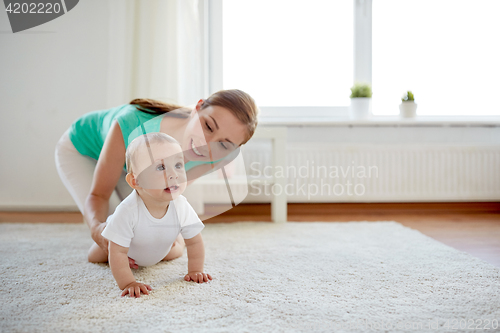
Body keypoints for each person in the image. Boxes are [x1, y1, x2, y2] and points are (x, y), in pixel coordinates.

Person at [55, 89, 258, 268]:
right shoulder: (133, 124)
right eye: (209, 127)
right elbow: (98, 194)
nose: (208, 144)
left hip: (136, 171)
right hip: (83, 151)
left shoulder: (221, 155)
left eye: (223, 144)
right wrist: (97, 230)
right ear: (198, 107)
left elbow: (169, 197)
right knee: (112, 233)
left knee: (162, 240)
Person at [90, 132, 211, 297]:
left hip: (160, 248)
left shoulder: (181, 205)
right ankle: (108, 233)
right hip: (126, 247)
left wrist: (195, 270)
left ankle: (176, 239)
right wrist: (129, 282)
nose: (173, 174)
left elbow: (195, 242)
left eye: (178, 165)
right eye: (161, 167)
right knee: (95, 256)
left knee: (176, 251)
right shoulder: (127, 210)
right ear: (136, 181)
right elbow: (118, 252)